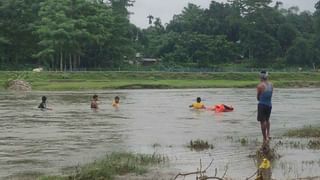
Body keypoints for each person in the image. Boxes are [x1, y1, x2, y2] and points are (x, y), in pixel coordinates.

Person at [257, 70, 273, 143]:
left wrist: (260, 100)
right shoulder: (271, 85)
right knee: (267, 120)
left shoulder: (260, 86)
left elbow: (258, 97)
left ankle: (264, 138)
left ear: (261, 77)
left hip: (262, 105)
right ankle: (268, 134)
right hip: (269, 105)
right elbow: (270, 95)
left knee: (262, 122)